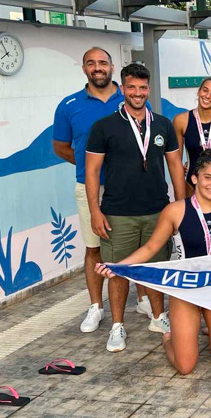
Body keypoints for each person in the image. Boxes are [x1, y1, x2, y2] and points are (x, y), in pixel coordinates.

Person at [95, 151, 211, 374]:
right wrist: (119, 267)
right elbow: (150, 248)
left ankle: (205, 328)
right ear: (194, 178)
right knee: (185, 367)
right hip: (184, 289)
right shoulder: (175, 211)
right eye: (208, 177)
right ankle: (168, 339)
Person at [85, 63, 185, 352]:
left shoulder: (163, 124)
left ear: (148, 89)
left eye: (142, 88)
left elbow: (175, 166)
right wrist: (95, 211)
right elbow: (92, 171)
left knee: (155, 268)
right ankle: (117, 325)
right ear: (123, 89)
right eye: (131, 87)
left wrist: (181, 206)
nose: (137, 93)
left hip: (158, 210)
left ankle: (158, 317)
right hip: (117, 212)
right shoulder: (104, 126)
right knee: (117, 271)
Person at [52, 47, 153, 333]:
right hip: (91, 188)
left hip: (130, 185)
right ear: (84, 68)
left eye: (103, 63)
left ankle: (143, 298)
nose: (97, 67)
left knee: (137, 244)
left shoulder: (130, 96)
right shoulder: (69, 105)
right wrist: (92, 168)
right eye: (91, 63)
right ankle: (96, 306)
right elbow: (60, 147)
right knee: (94, 247)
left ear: (111, 67)